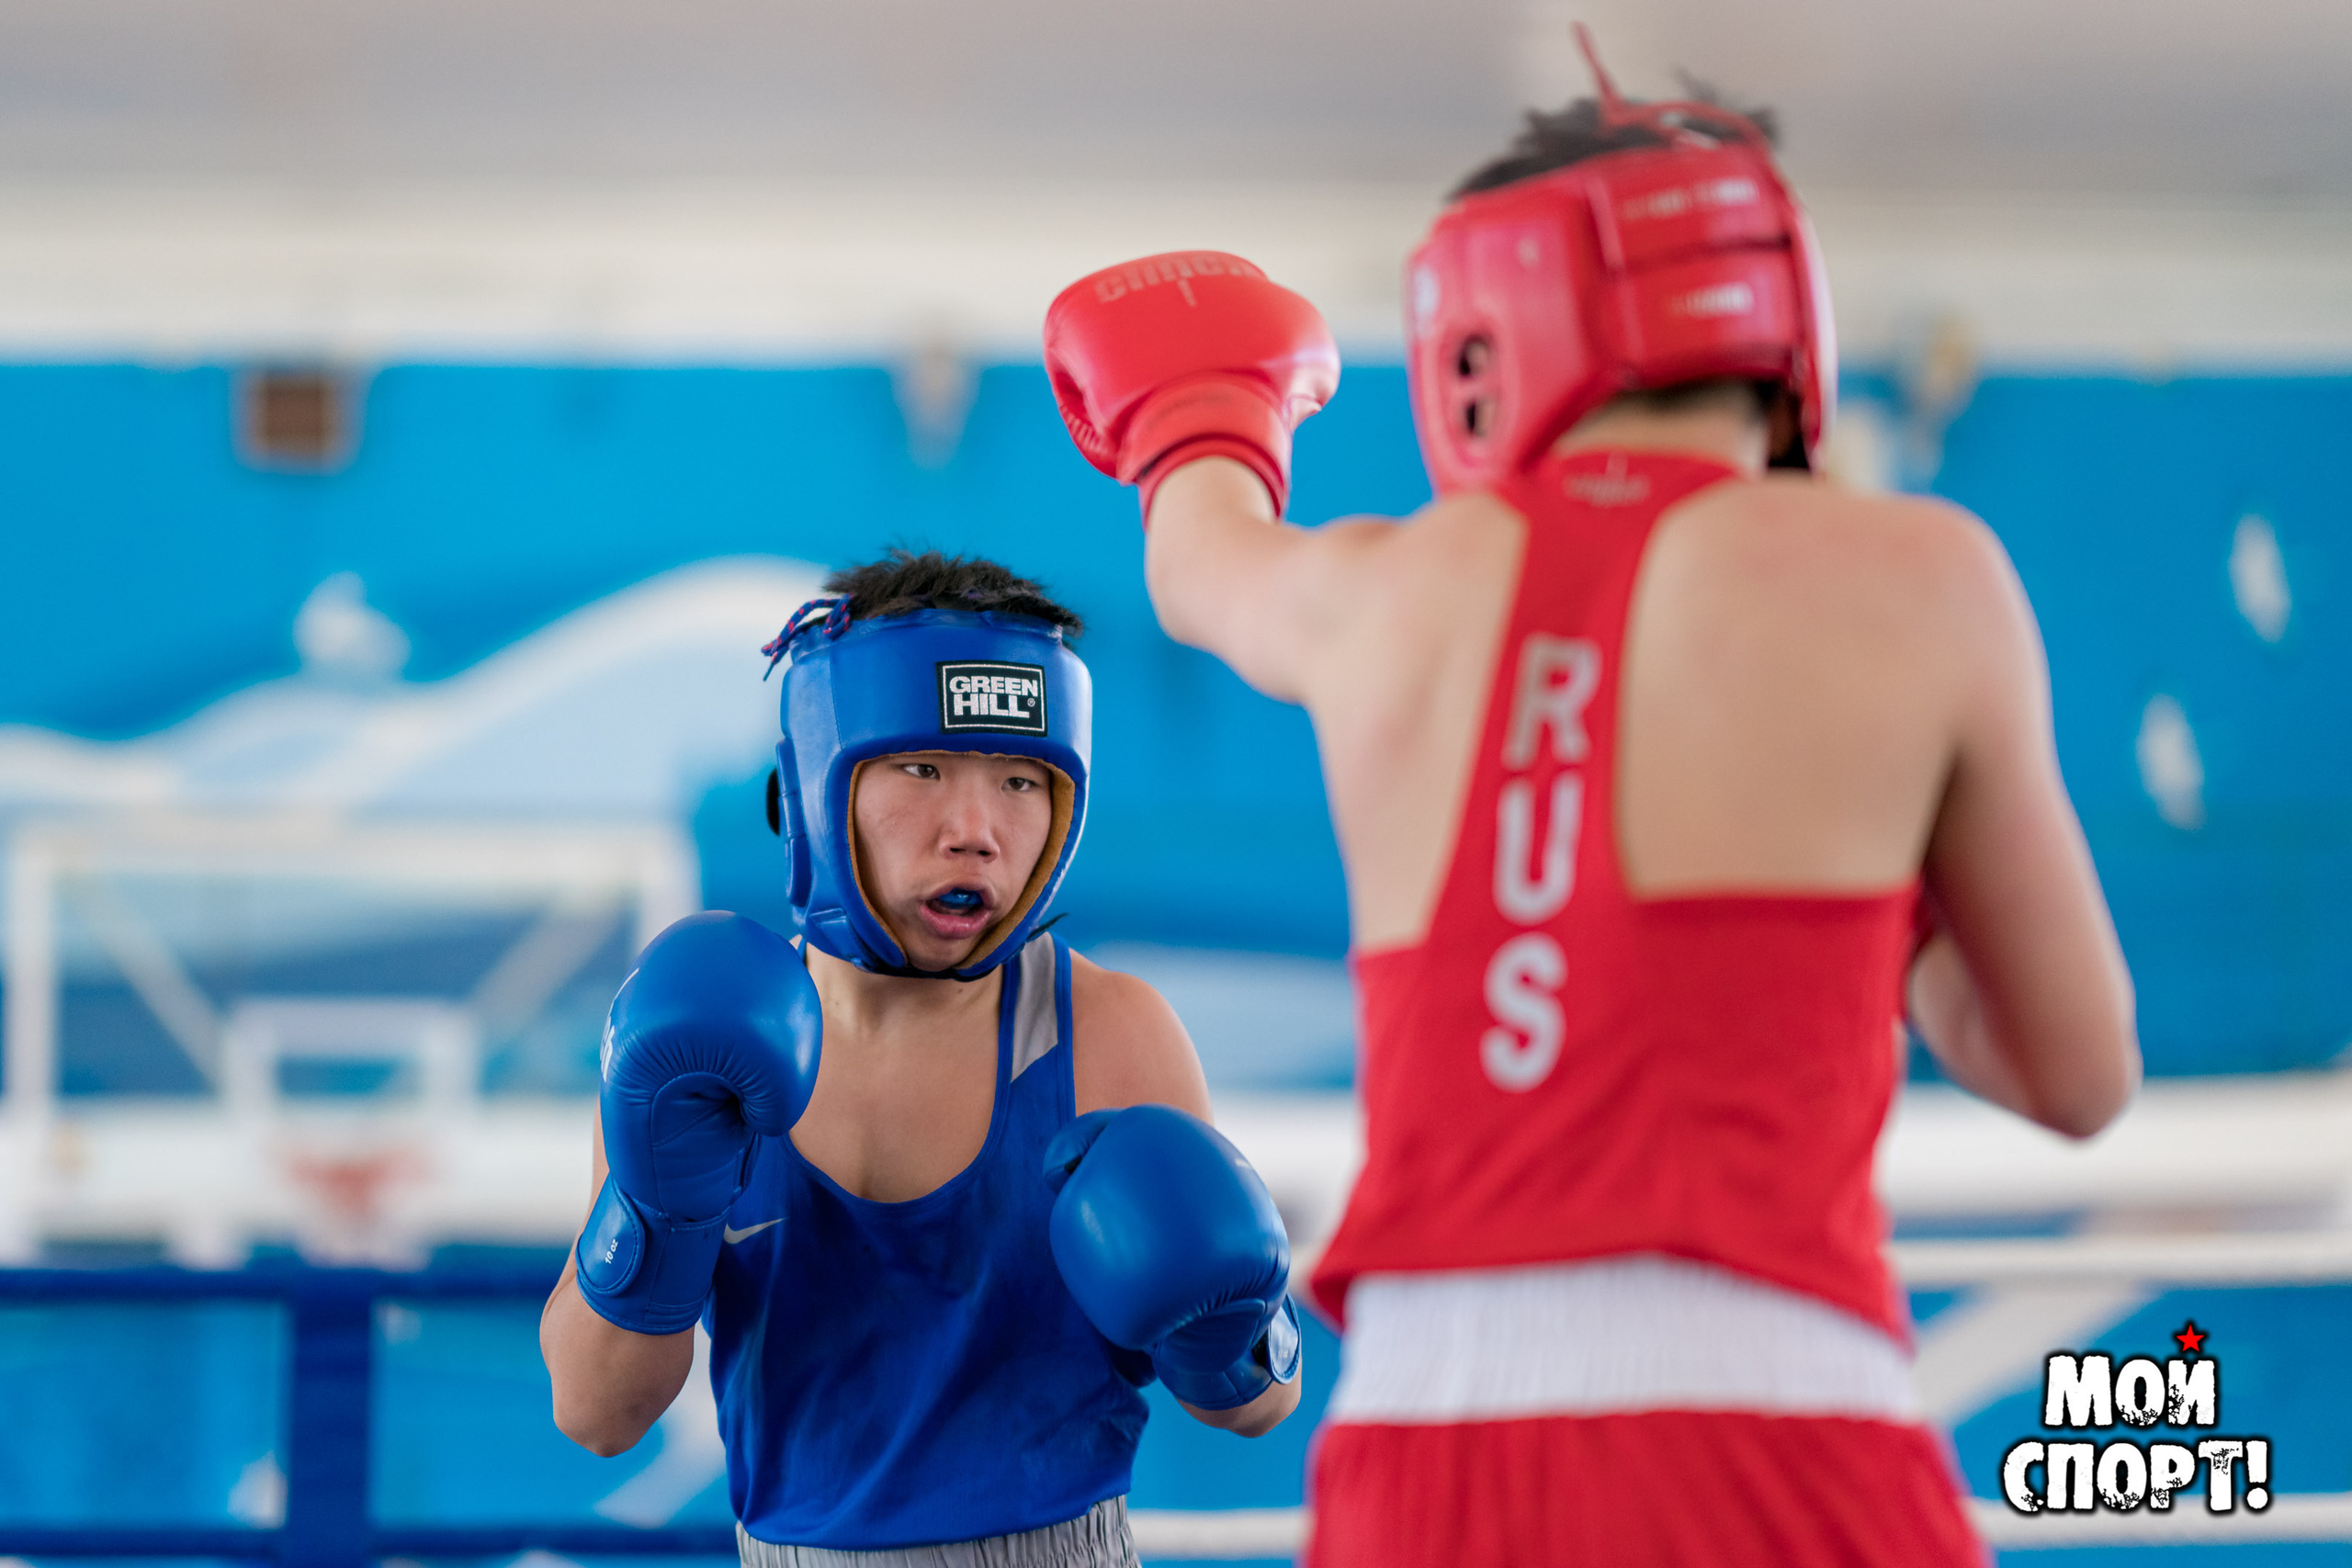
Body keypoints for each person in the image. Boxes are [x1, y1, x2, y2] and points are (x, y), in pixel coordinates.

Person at [1039, 31, 2139, 1567]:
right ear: (1783, 332)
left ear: (1478, 345)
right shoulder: (1919, 581)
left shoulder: (1385, 593)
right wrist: (1870, 870)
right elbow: (2076, 1070)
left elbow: (1197, 556)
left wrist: (1201, 415)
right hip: (1780, 1411)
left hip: (1424, 1436)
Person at [538, 550, 1303, 1568]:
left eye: (1021, 780)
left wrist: (1225, 1313)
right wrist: (660, 1212)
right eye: (922, 768)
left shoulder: (1107, 1033)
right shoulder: (697, 1045)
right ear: (813, 789)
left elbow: (1259, 1406)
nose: (976, 831)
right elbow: (598, 1415)